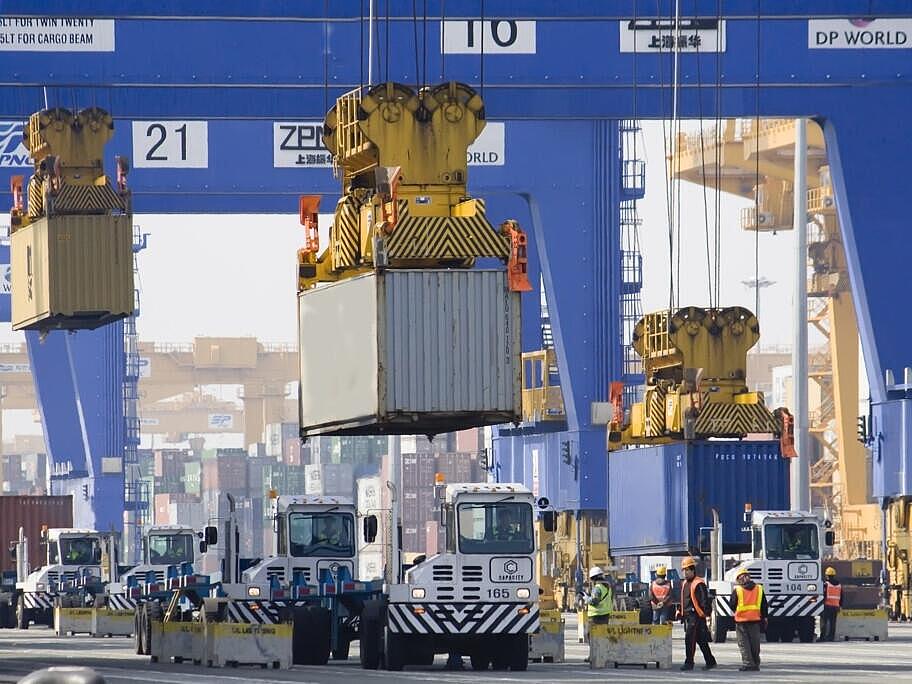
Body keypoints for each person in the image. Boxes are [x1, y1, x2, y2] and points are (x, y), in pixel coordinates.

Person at [679, 557, 717, 671]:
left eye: (687, 570)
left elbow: (704, 601)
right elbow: (685, 599)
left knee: (689, 639)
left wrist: (707, 615)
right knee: (701, 640)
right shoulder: (685, 583)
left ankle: (689, 663)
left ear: (693, 570)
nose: (685, 573)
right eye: (684, 570)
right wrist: (680, 611)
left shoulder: (698, 583)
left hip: (695, 616)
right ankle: (710, 661)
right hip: (689, 616)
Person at [729, 567, 769, 672]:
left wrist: (738, 611)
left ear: (739, 579)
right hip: (755, 620)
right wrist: (765, 617)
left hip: (741, 621)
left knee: (744, 643)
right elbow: (764, 605)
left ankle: (748, 664)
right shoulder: (759, 588)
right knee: (755, 643)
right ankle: (755, 663)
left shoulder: (737, 590)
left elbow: (732, 604)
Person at [819, 566, 843, 641]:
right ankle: (831, 637)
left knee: (824, 622)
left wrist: (821, 604)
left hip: (827, 606)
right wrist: (840, 605)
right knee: (833, 623)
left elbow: (824, 595)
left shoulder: (826, 584)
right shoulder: (839, 585)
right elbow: (842, 596)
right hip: (835, 607)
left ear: (827, 575)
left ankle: (822, 637)